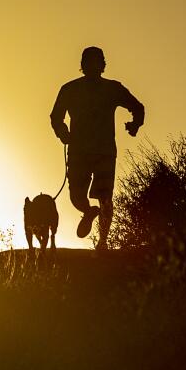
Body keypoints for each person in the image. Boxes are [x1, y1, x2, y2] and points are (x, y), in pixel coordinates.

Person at [50, 46, 145, 249]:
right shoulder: (70, 89)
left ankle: (102, 242)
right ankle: (88, 212)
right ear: (83, 65)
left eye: (96, 61)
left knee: (105, 198)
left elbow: (138, 107)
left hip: (103, 153)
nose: (93, 65)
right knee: (77, 196)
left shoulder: (112, 89)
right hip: (81, 151)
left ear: (102, 65)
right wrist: (63, 132)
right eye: (89, 62)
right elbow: (55, 117)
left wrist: (136, 124)